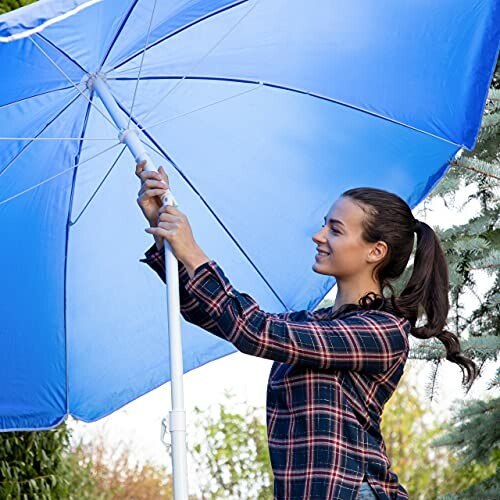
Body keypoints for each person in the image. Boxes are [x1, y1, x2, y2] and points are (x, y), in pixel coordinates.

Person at [135, 161, 477, 500]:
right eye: (324, 225)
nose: (319, 236)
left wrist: (193, 251)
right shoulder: (313, 322)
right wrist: (165, 235)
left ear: (376, 251)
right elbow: (222, 318)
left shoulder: (381, 331)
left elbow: (253, 331)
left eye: (336, 230)